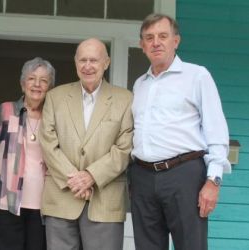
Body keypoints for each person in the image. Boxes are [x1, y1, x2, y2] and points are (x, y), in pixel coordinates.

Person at [130, 13, 231, 250]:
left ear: (176, 41)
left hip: (184, 175)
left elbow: (216, 129)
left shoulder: (197, 76)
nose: (156, 42)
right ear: (142, 46)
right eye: (149, 38)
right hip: (143, 177)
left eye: (163, 36)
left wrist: (213, 180)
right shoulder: (139, 84)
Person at [38, 38, 133, 250]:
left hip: (104, 201)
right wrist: (75, 180)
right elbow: (48, 142)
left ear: (106, 63)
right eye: (82, 60)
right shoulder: (55, 97)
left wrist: (91, 176)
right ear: (75, 62)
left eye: (94, 60)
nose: (87, 66)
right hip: (61, 197)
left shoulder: (125, 99)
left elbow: (124, 148)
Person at [0, 57, 55, 250]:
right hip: (5, 202)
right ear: (23, 84)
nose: (37, 84)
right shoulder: (6, 110)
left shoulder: (54, 118)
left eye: (44, 80)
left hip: (43, 207)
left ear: (49, 87)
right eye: (31, 79)